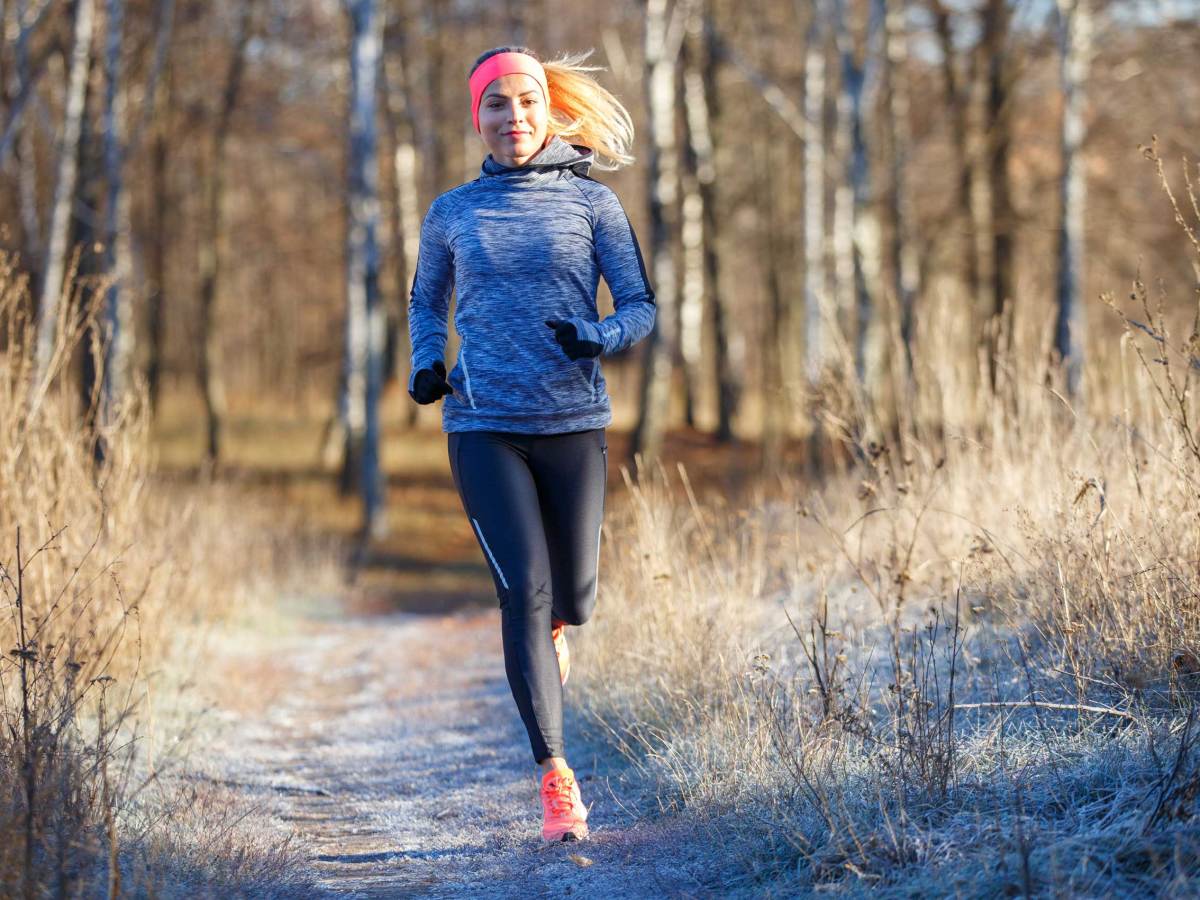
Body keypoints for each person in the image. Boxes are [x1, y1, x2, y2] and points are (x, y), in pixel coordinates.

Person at [405, 46, 656, 842]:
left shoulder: (594, 206)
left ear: (547, 110)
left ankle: (552, 637)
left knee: (572, 600)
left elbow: (642, 305)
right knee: (525, 593)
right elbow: (425, 304)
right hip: (482, 424)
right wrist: (425, 364)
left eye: (524, 102)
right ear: (475, 117)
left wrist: (598, 336)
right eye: (494, 105)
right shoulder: (452, 211)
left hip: (572, 422)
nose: (511, 117)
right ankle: (557, 780)